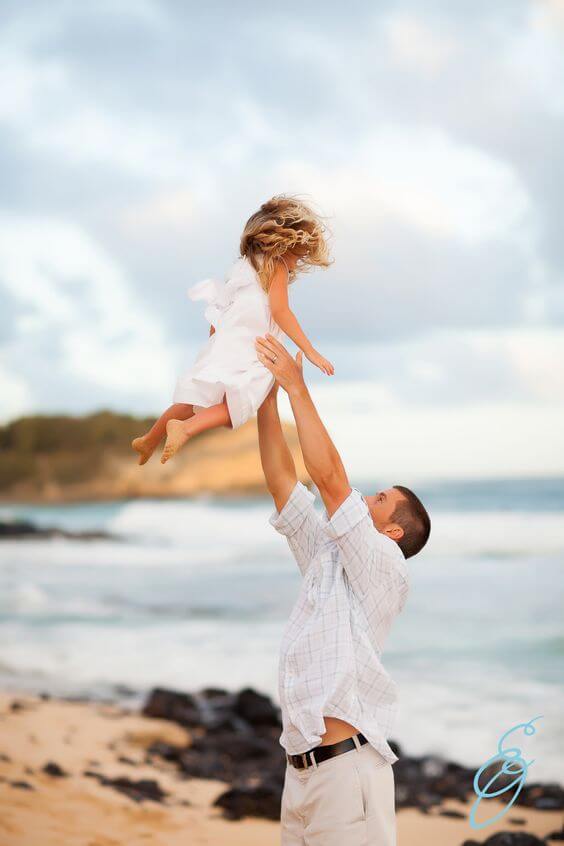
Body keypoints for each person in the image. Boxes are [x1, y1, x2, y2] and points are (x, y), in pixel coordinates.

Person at [254, 332, 431, 846]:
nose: (361, 497)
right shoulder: (330, 558)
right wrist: (266, 398)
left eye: (377, 500)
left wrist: (296, 387)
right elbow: (285, 486)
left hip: (346, 772)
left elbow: (330, 479)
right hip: (300, 770)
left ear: (394, 531)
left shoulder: (385, 565)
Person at [131, 194, 334, 466]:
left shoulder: (242, 267)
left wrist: (214, 344)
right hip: (253, 348)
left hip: (228, 341)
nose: (299, 260)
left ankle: (149, 439)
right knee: (238, 405)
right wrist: (310, 351)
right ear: (287, 243)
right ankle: (185, 429)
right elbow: (281, 311)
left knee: (197, 397)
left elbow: (222, 307)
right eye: (300, 252)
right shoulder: (278, 266)